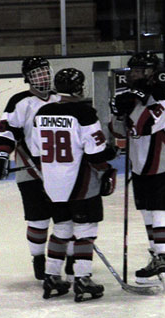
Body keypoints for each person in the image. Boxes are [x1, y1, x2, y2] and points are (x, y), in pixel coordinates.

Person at [30, 68, 118, 302]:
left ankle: (51, 277)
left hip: (52, 185)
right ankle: (82, 279)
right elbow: (96, 152)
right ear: (80, 88)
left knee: (61, 231)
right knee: (85, 232)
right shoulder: (84, 113)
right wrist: (113, 151)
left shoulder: (42, 112)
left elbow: (36, 151)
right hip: (80, 183)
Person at [0, 56, 74, 282]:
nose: (43, 77)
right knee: (38, 219)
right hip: (30, 169)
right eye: (37, 74)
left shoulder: (63, 99)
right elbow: (6, 131)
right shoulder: (20, 102)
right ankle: (38, 259)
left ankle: (72, 259)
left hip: (62, 170)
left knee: (67, 218)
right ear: (27, 79)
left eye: (46, 72)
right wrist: (1, 155)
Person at [109, 51, 165, 287]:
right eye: (133, 70)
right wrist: (119, 113)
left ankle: (163, 258)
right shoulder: (128, 95)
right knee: (147, 211)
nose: (134, 74)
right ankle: (155, 256)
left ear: (151, 73)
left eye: (139, 70)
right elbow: (119, 132)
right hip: (139, 164)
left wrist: (130, 108)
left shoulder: (163, 95)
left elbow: (145, 125)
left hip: (162, 161)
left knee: (161, 209)